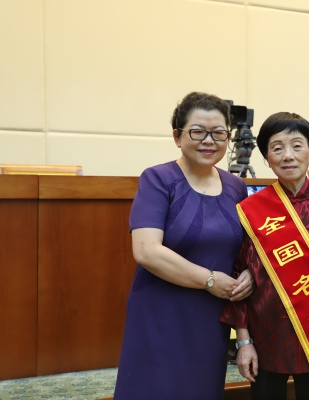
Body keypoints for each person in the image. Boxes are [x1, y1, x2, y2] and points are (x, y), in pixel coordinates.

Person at [114, 92, 254, 399]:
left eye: (218, 133)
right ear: (177, 136)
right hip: (161, 313)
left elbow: (244, 252)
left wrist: (250, 275)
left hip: (211, 318)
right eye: (197, 132)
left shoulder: (236, 186)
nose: (209, 141)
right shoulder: (158, 179)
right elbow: (146, 250)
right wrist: (210, 280)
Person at [221, 112, 309, 400]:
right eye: (277, 148)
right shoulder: (249, 210)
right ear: (267, 158)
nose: (288, 155)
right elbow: (238, 278)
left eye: (297, 146)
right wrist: (244, 341)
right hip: (267, 338)